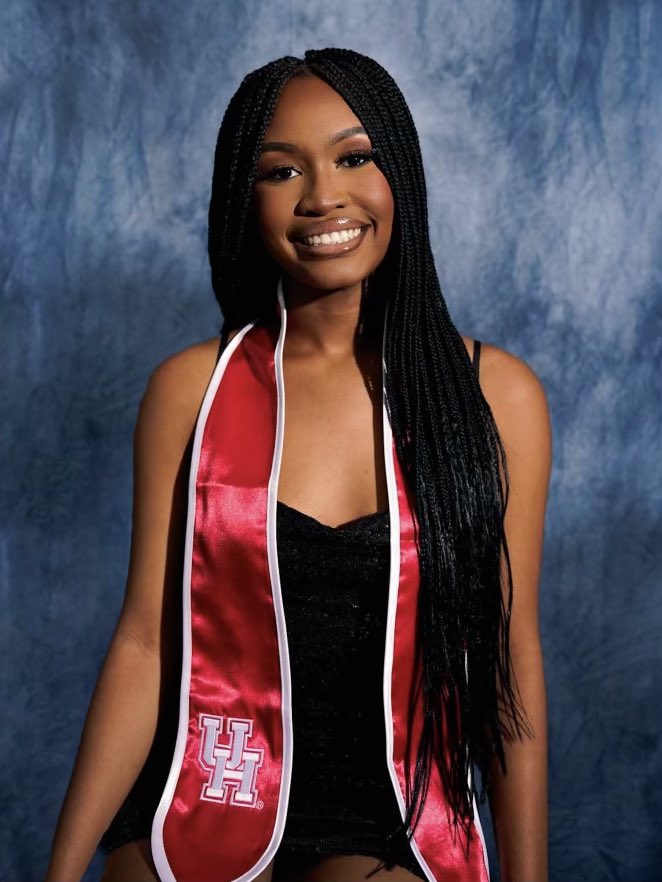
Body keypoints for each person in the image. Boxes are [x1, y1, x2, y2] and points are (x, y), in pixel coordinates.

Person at [45, 48, 551, 882]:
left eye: (355, 158)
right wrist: (62, 869)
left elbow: (508, 659)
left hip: (392, 802)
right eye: (282, 171)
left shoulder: (493, 395)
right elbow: (144, 641)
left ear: (401, 177)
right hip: (215, 775)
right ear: (244, 199)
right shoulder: (191, 393)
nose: (323, 196)